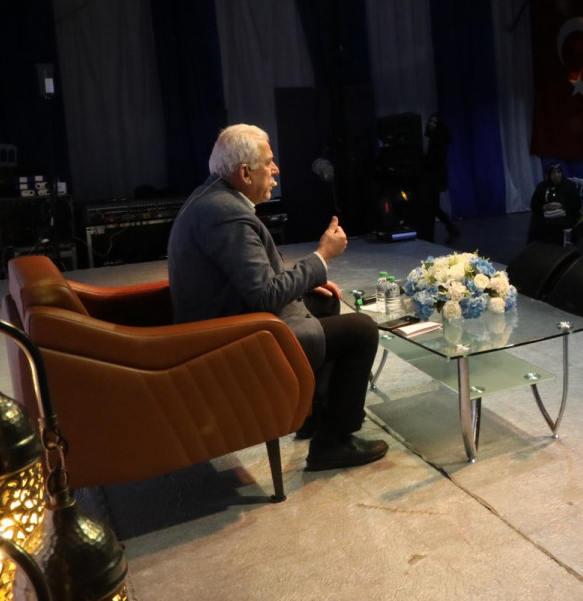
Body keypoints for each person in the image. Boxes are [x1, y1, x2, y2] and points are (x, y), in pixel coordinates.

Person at [167, 124, 388, 471]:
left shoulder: (212, 197)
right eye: (268, 162)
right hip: (231, 339)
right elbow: (266, 295)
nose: (276, 169)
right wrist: (322, 257)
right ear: (245, 173)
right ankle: (333, 442)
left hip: (227, 315)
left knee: (325, 302)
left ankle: (311, 415)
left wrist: (306, 281)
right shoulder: (226, 214)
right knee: (362, 330)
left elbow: (249, 273)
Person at [419, 112, 459, 244]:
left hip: (435, 177)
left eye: (434, 122)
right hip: (434, 176)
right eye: (430, 121)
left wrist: (425, 160)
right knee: (433, 206)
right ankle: (450, 229)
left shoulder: (438, 138)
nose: (431, 124)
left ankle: (449, 229)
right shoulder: (431, 137)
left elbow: (436, 159)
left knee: (433, 206)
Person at [528, 162, 583, 245]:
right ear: (548, 175)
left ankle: (556, 249)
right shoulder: (542, 186)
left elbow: (577, 204)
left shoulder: (569, 185)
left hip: (566, 214)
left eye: (558, 172)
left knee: (556, 224)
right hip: (547, 214)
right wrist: (543, 207)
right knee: (536, 222)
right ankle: (537, 247)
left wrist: (561, 205)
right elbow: (534, 205)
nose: (556, 175)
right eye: (553, 173)